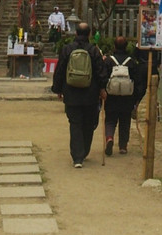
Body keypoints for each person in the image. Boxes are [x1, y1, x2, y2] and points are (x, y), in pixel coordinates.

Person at [50, 22, 108, 167]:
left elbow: (60, 69)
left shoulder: (67, 49)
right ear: (89, 34)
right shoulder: (94, 51)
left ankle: (77, 157)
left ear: (76, 33)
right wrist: (102, 88)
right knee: (88, 123)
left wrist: (58, 89)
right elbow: (101, 71)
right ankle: (84, 151)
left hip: (71, 92)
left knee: (75, 123)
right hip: (90, 93)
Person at [102, 36, 147, 155]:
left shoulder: (109, 61)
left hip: (111, 96)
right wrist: (136, 99)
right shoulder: (131, 62)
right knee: (125, 121)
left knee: (110, 120)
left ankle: (109, 138)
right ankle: (123, 146)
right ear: (126, 46)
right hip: (127, 97)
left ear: (114, 46)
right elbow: (137, 81)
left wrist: (103, 91)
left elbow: (103, 77)